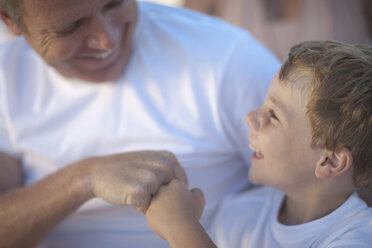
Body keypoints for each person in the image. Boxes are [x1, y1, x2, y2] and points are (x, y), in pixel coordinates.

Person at [0, 0, 279, 247]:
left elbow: (316, 197)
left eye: (114, 4)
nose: (106, 40)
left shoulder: (230, 59)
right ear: (10, 21)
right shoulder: (6, 78)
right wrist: (83, 179)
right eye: (69, 27)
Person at [146, 40, 372, 248]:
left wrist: (180, 226)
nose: (251, 117)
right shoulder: (239, 213)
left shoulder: (357, 239)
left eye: (273, 115)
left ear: (330, 161)